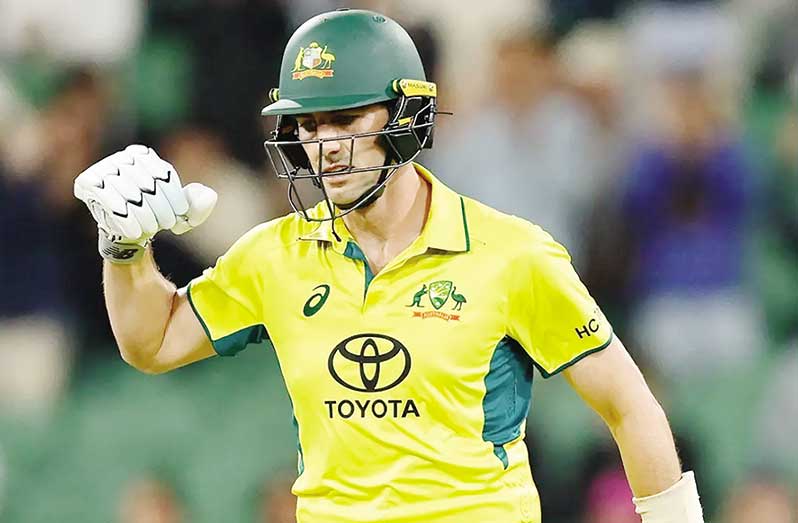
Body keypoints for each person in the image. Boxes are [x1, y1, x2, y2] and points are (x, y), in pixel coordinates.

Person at [73, 9, 704, 523]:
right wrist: (125, 249)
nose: (323, 147)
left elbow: (629, 404)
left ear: (406, 118)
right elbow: (151, 341)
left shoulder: (512, 255)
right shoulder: (275, 257)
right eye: (308, 125)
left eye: (345, 119)